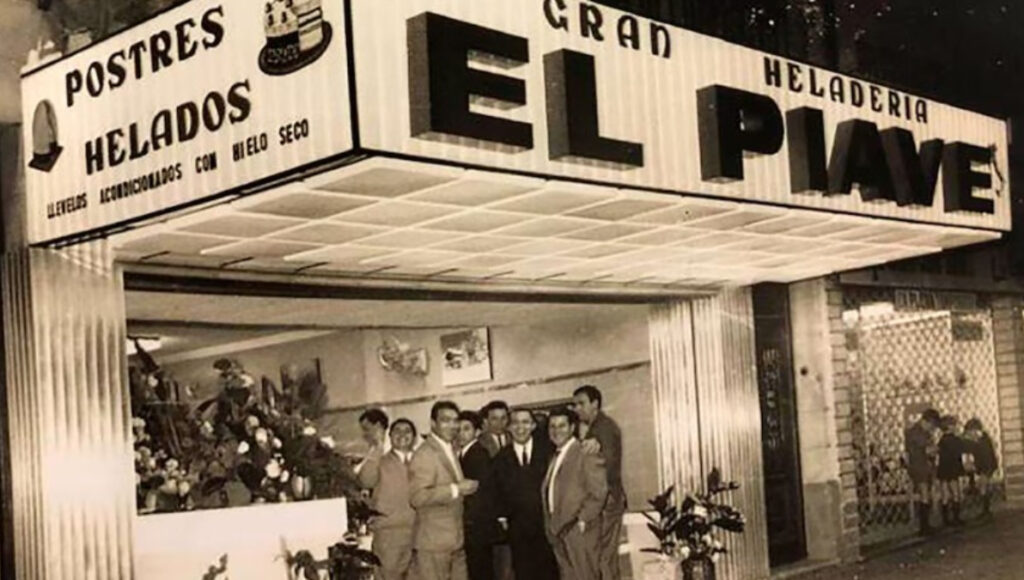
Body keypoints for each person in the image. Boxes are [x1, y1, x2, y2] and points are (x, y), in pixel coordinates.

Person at [410, 401, 479, 580]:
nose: (452, 426)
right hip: (434, 544)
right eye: (445, 420)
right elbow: (417, 497)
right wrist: (455, 489)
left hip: (454, 540)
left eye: (455, 421)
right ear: (433, 423)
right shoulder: (425, 453)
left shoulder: (449, 449)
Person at [543, 406, 608, 580]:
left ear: (572, 428)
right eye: (552, 426)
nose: (556, 431)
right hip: (559, 531)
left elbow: (599, 491)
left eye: (561, 426)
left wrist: (583, 519)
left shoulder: (585, 452)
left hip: (579, 531)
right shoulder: (554, 457)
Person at [493, 409, 559, 580]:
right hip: (518, 533)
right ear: (509, 427)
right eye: (515, 423)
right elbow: (498, 493)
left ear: (533, 425)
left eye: (525, 422)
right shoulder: (500, 458)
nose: (520, 427)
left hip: (548, 528)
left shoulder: (549, 451)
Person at [572, 384, 625, 580]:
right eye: (575, 405)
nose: (577, 409)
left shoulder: (602, 429)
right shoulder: (600, 427)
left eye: (581, 404)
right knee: (604, 556)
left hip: (606, 501)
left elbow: (605, 469)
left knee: (604, 557)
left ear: (595, 404)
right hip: (608, 500)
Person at [359, 418, 418, 580]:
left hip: (419, 534)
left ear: (414, 437)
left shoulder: (422, 462)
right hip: (388, 535)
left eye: (407, 431)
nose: (402, 435)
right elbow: (365, 481)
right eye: (397, 431)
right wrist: (377, 447)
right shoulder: (380, 461)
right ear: (390, 436)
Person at [457, 411, 502, 580]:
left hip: (476, 526)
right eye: (458, 429)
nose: (460, 433)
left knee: (480, 571)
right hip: (475, 526)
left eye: (466, 429)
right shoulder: (464, 453)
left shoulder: (478, 454)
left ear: (477, 432)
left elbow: (481, 493)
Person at [905, 407, 940, 535]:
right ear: (926, 421)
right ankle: (924, 526)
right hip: (919, 465)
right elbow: (927, 449)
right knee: (924, 493)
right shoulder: (916, 433)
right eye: (932, 426)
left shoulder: (920, 432)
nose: (932, 429)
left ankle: (926, 524)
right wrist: (934, 449)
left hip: (924, 465)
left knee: (926, 493)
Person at [964, 417, 999, 519]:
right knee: (983, 486)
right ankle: (985, 509)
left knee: (983, 486)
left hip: (987, 466)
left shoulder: (982, 442)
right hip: (986, 466)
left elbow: (984, 457)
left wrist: (977, 467)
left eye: (970, 433)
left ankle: (986, 510)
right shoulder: (981, 439)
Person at [937, 414, 966, 527]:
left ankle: (945, 519)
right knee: (955, 492)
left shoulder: (942, 440)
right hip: (953, 468)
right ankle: (956, 517)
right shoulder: (955, 440)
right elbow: (960, 450)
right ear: (950, 426)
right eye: (954, 425)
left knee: (945, 494)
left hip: (943, 468)